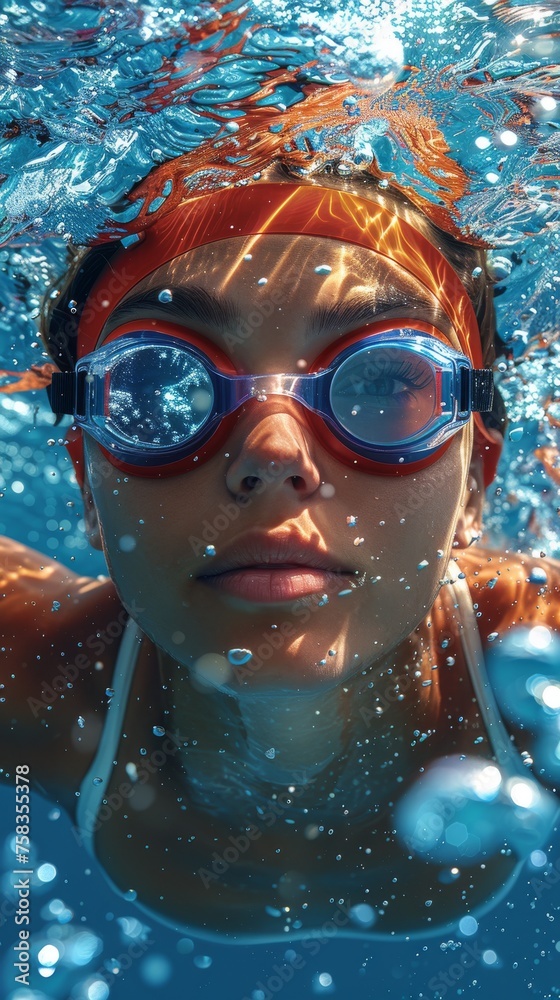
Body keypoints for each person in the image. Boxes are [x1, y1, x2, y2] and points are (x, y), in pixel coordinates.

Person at [1, 158, 559, 945]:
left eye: (384, 384)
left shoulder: (543, 664)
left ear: (476, 484)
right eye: (161, 385)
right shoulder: (27, 682)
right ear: (89, 486)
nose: (271, 452)